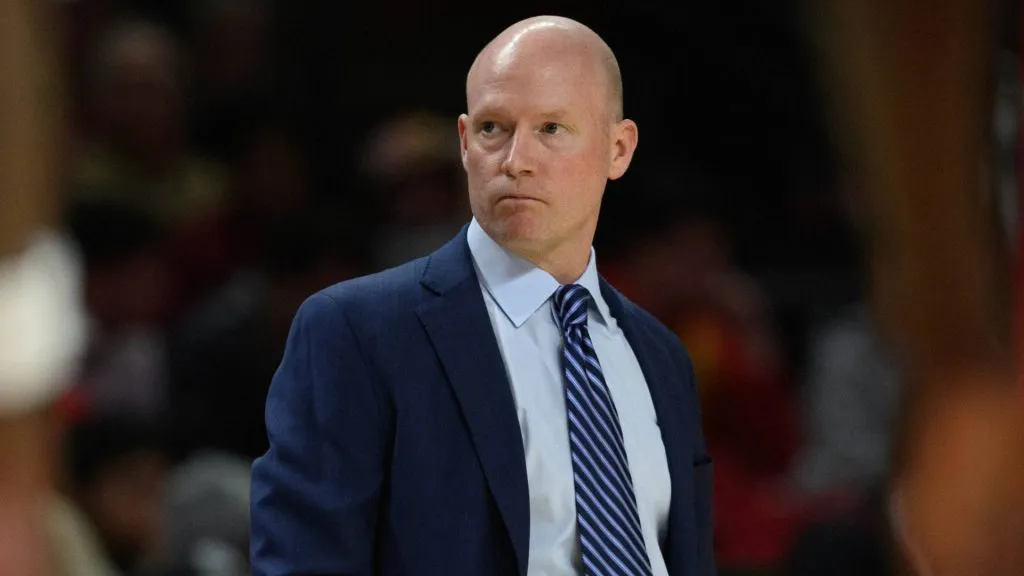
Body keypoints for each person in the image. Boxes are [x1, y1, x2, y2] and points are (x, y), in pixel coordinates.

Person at [251, 15, 714, 576]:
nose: (517, 159)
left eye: (551, 128)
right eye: (495, 127)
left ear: (619, 149)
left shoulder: (661, 358)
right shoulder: (356, 331)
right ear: (466, 144)